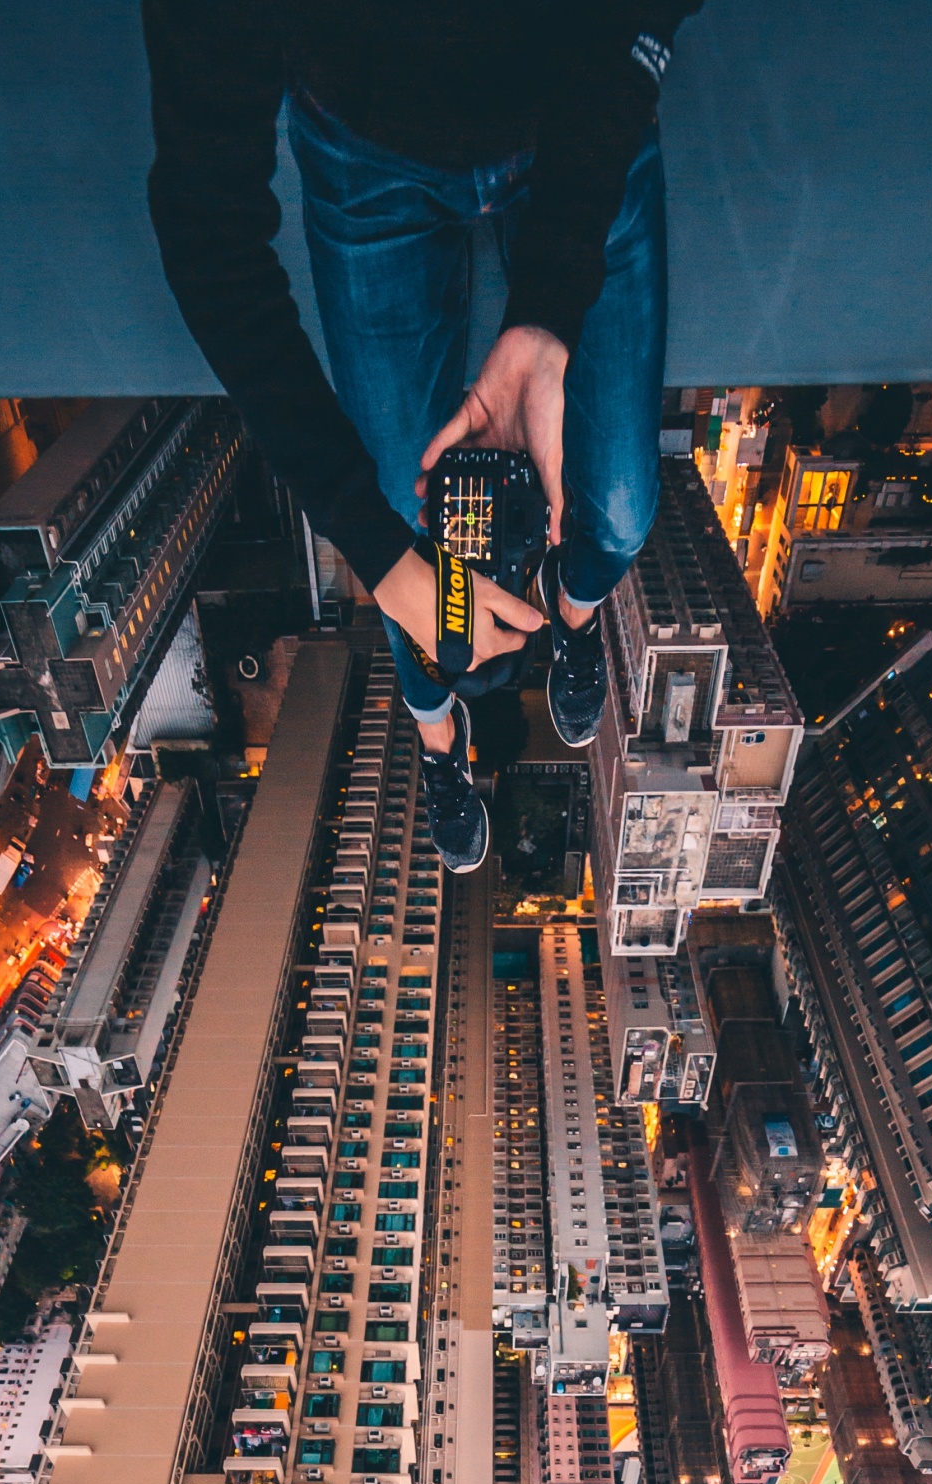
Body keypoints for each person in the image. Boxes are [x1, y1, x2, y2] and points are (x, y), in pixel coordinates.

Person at [141, 1, 701, 869]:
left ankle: (575, 613)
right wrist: (377, 555)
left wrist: (552, 301)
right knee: (418, 579)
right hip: (366, 153)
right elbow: (205, 223)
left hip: (581, 112)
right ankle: (441, 747)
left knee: (621, 514)